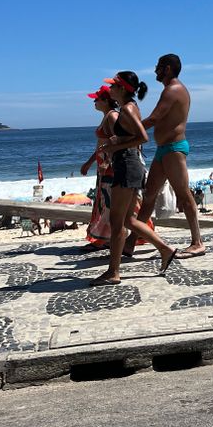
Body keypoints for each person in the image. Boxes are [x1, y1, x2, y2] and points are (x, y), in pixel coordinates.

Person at [89, 71, 178, 287]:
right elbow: (132, 136)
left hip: (128, 165)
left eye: (113, 86)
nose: (109, 89)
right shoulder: (127, 108)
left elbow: (143, 138)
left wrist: (113, 146)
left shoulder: (128, 109)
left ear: (122, 89)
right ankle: (166, 250)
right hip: (129, 165)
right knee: (129, 220)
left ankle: (113, 272)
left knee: (117, 223)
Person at [124, 54, 204, 260]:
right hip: (163, 149)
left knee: (184, 195)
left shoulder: (173, 90)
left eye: (158, 67)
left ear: (167, 69)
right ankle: (131, 241)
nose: (155, 71)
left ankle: (197, 243)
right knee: (149, 195)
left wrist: (129, 132)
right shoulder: (169, 90)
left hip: (173, 149)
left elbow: (154, 118)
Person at [81, 85, 119, 247]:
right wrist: (90, 162)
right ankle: (105, 238)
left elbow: (116, 141)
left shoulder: (112, 116)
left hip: (109, 167)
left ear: (105, 101)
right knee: (104, 201)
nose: (94, 102)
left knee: (108, 201)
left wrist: (106, 162)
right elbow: (101, 145)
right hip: (103, 166)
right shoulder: (106, 116)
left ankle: (104, 239)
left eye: (97, 99)